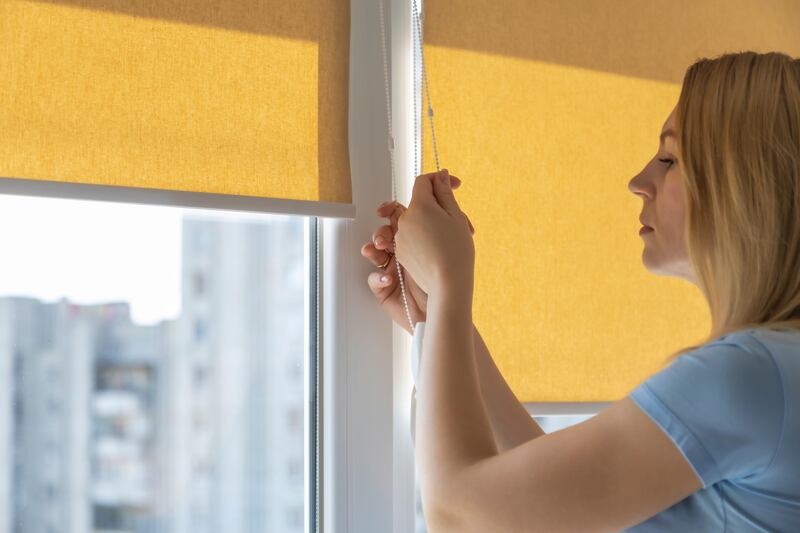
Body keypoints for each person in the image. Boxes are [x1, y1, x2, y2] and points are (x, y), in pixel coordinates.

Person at [361, 51, 800, 531]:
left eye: (670, 159)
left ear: (747, 185)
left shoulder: (749, 375)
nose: (638, 182)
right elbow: (555, 504)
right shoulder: (777, 371)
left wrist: (449, 281)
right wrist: (447, 325)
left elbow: (461, 516)